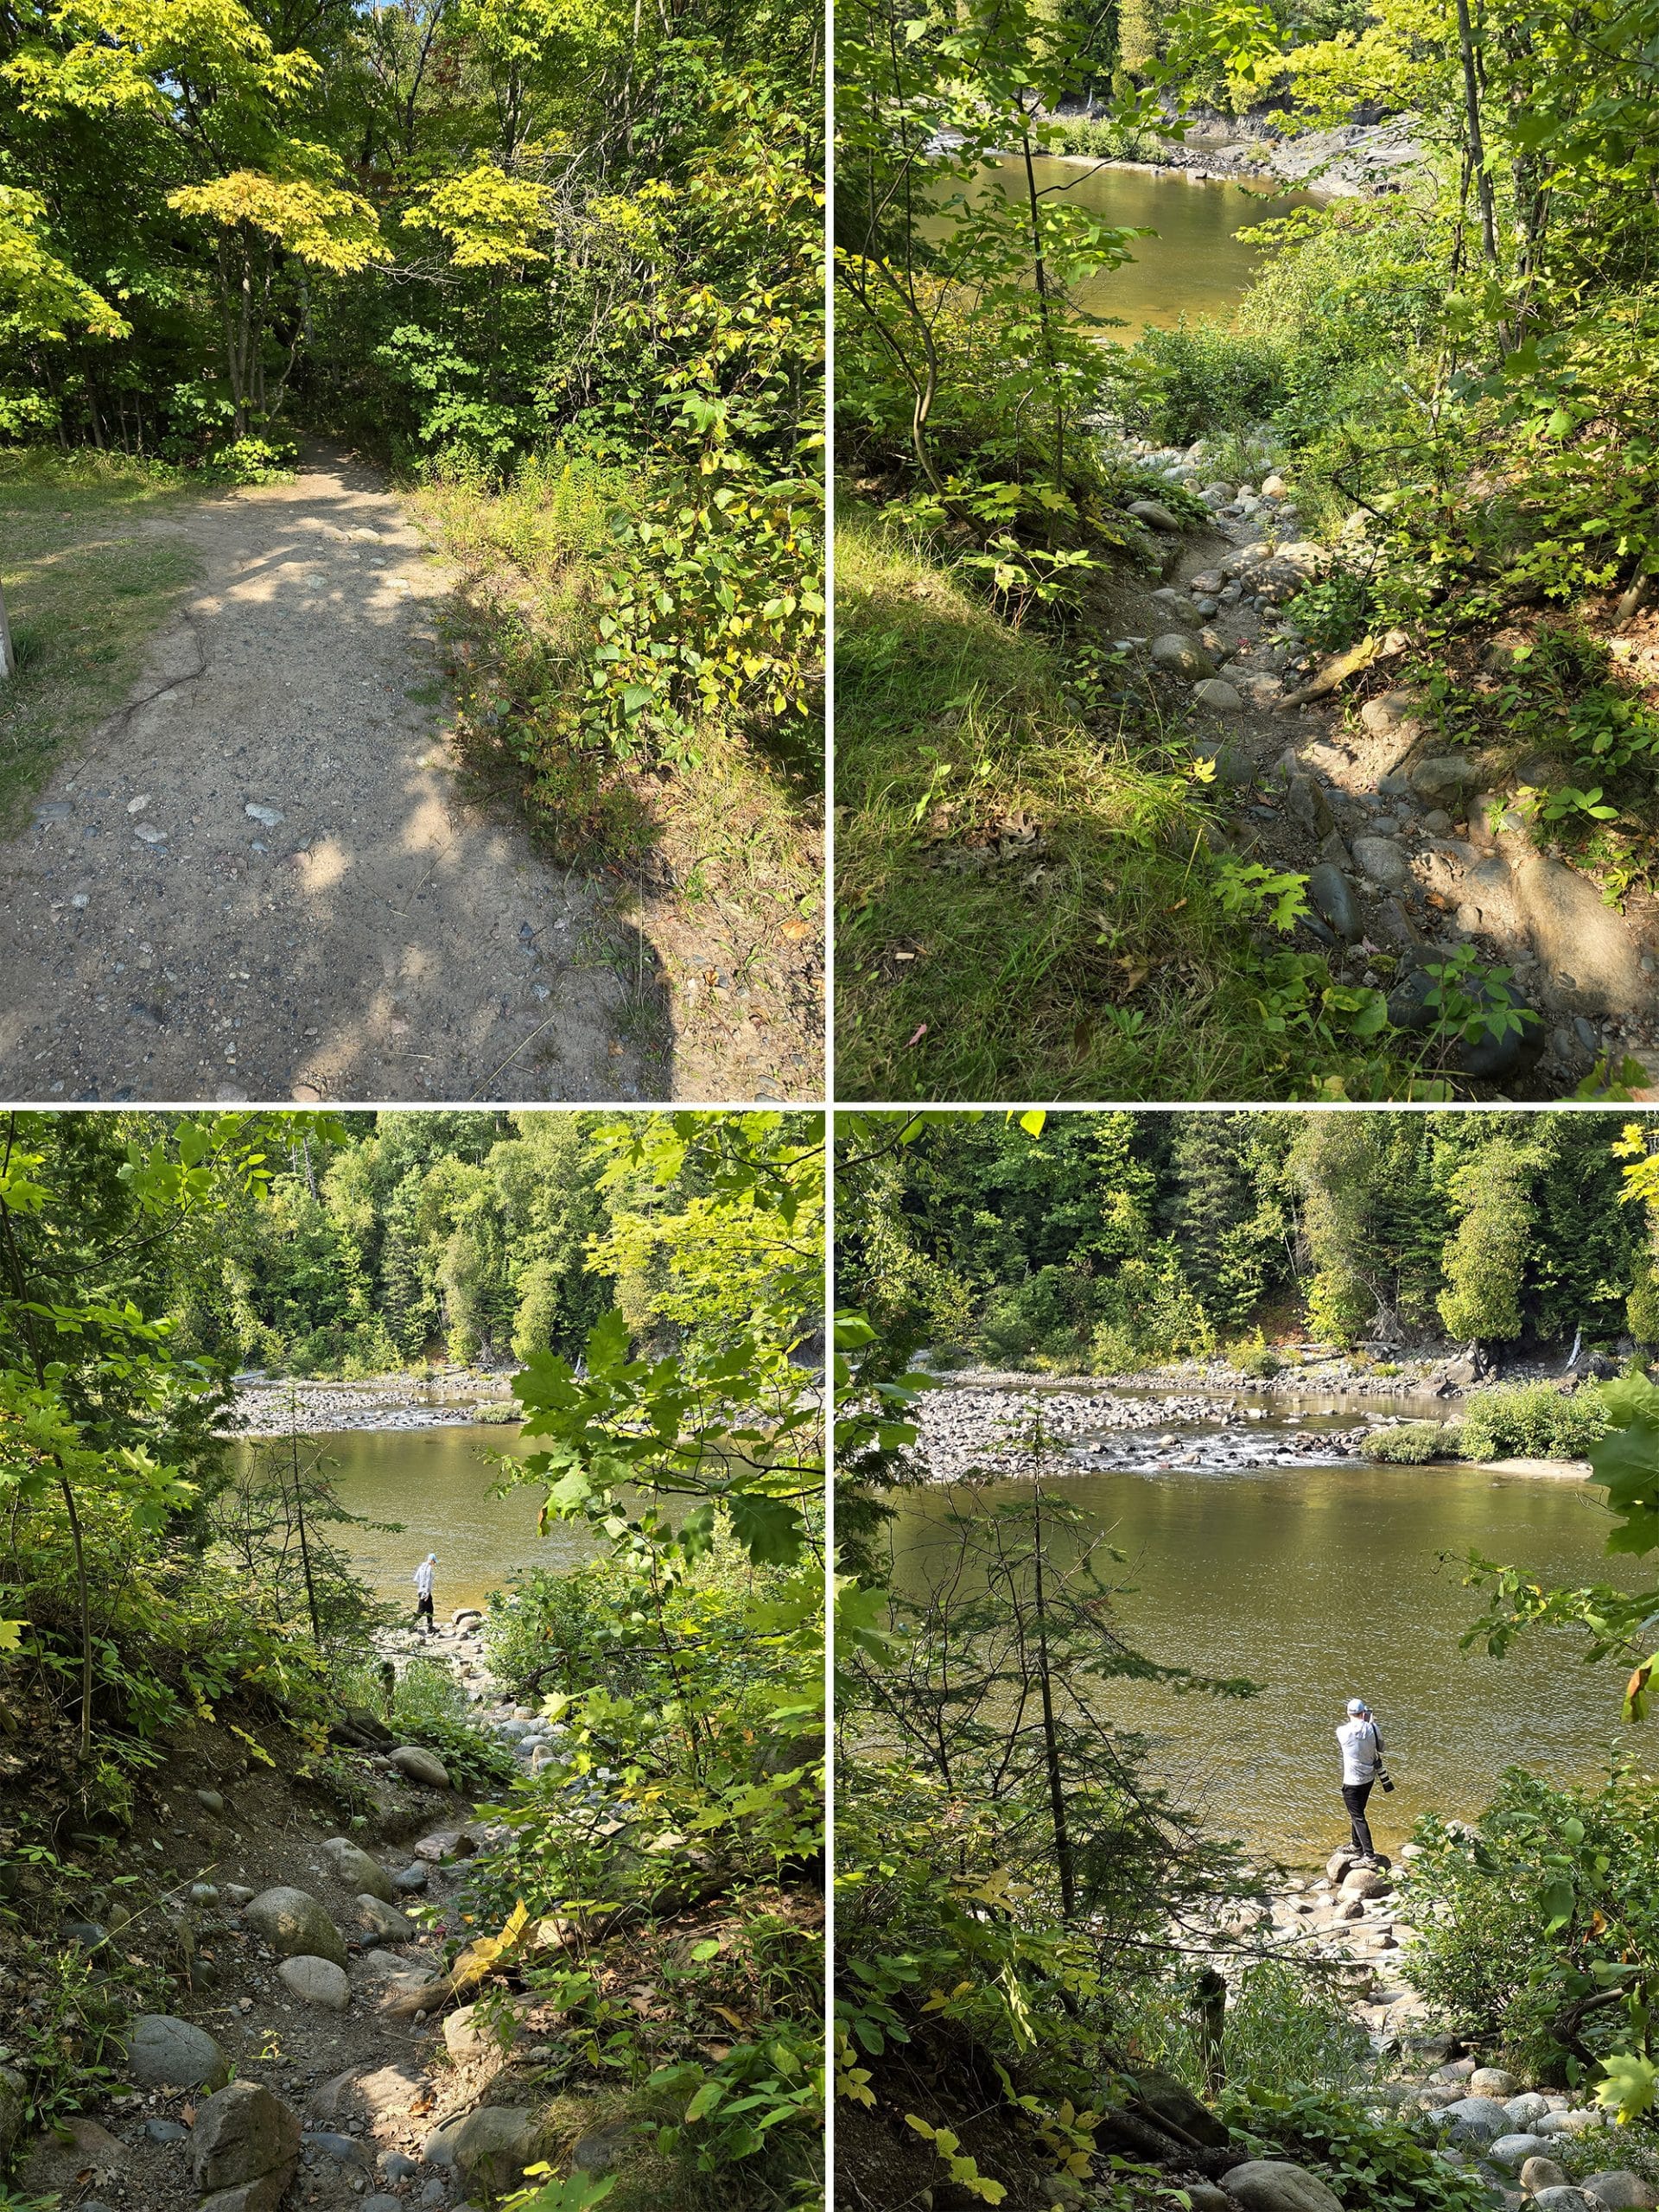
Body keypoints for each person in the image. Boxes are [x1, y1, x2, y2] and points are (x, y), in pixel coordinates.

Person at [1336, 1696, 1385, 1862]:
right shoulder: (1373, 1728)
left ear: (1349, 1713)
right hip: (1369, 1778)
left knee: (1357, 1816)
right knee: (1358, 1812)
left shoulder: (1342, 1731)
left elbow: (1351, 1734)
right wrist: (1371, 1723)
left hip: (1351, 1781)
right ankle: (1356, 1845)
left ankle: (1369, 1854)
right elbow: (1382, 1747)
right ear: (1364, 1713)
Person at [412, 1553, 437, 1635]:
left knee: (430, 1608)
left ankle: (430, 1627)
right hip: (425, 1592)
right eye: (434, 1562)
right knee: (421, 1611)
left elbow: (416, 1579)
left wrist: (421, 1587)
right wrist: (427, 1593)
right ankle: (409, 1626)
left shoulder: (421, 1567)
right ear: (432, 1560)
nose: (435, 1564)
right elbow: (428, 1581)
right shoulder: (429, 1568)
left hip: (420, 1590)